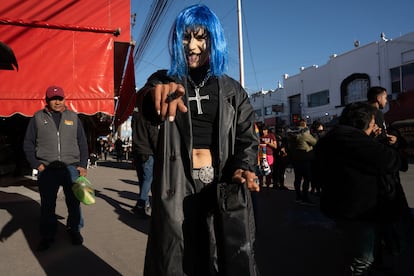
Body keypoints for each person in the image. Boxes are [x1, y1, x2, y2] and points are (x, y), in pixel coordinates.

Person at [137, 5, 260, 276]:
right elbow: (146, 101)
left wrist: (244, 165)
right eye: (185, 37)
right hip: (177, 184)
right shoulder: (164, 81)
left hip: (221, 182)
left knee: (220, 257)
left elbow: (247, 136)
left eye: (200, 37)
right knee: (179, 258)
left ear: (213, 40)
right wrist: (155, 95)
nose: (192, 46)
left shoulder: (232, 90)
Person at [314, 102, 405, 276]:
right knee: (363, 258)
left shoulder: (334, 138)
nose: (374, 127)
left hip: (344, 204)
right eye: (372, 123)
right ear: (361, 123)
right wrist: (386, 144)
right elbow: (389, 161)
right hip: (357, 209)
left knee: (362, 249)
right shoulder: (350, 139)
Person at [23, 85, 88, 251]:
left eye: (60, 98)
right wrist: (36, 164)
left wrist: (82, 164)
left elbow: (82, 142)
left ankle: (74, 230)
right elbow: (28, 143)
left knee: (74, 202)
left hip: (71, 168)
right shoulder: (38, 118)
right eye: (53, 99)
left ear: (65, 99)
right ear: (47, 101)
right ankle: (47, 235)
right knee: (47, 204)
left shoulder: (73, 117)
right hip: (48, 169)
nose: (57, 102)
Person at [131, 95, 159, 218]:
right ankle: (141, 205)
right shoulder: (149, 117)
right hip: (148, 152)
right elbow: (154, 137)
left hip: (137, 151)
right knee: (148, 179)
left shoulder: (135, 116)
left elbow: (134, 134)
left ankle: (145, 203)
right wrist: (158, 150)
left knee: (142, 179)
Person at [287, 119, 317, 205]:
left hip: (295, 158)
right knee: (307, 179)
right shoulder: (305, 134)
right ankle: (305, 197)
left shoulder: (291, 134)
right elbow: (315, 142)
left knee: (297, 179)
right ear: (304, 125)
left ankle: (298, 197)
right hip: (305, 158)